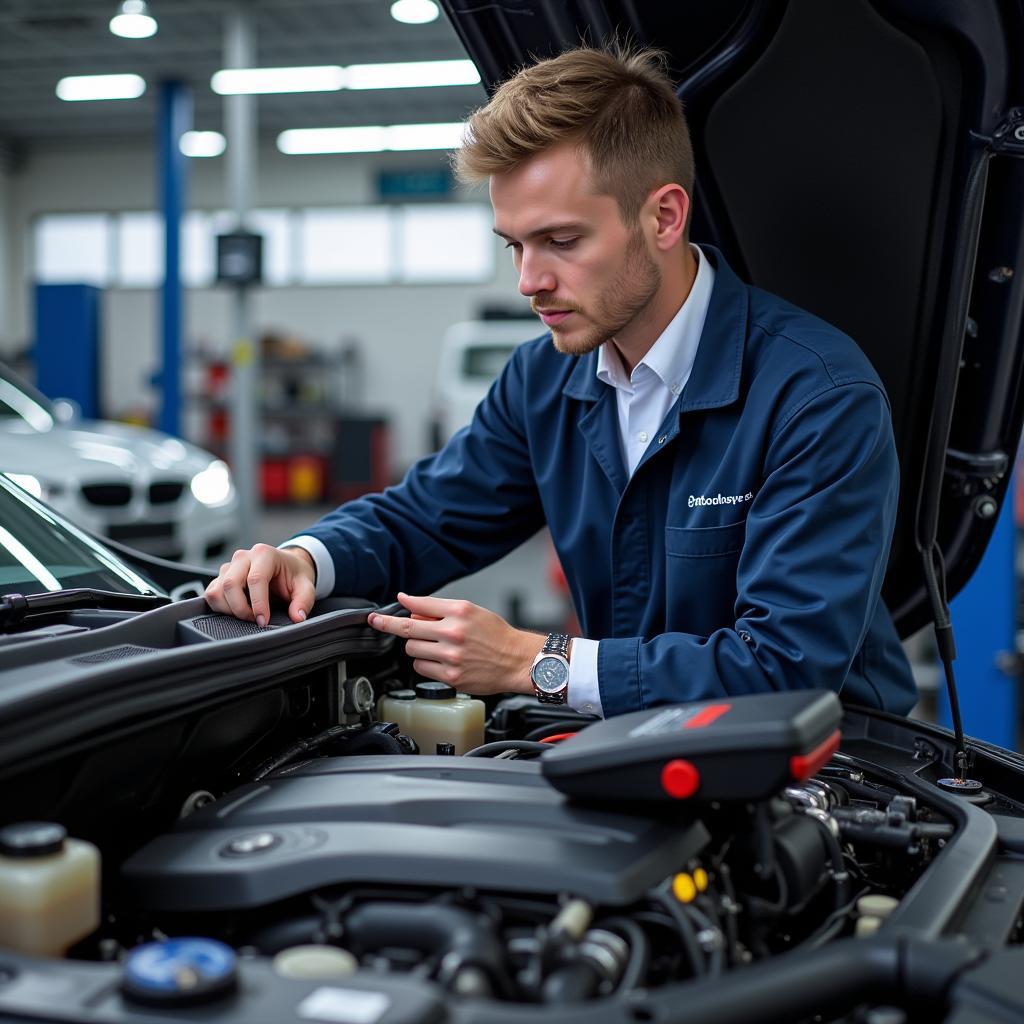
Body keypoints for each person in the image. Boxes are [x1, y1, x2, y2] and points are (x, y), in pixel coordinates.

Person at [205, 45, 917, 718]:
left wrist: (532, 662)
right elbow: (423, 516)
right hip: (640, 743)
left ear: (663, 216)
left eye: (562, 241)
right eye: (515, 244)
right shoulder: (544, 379)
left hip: (830, 770)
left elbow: (785, 667)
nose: (528, 281)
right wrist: (306, 558)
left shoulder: (816, 397)